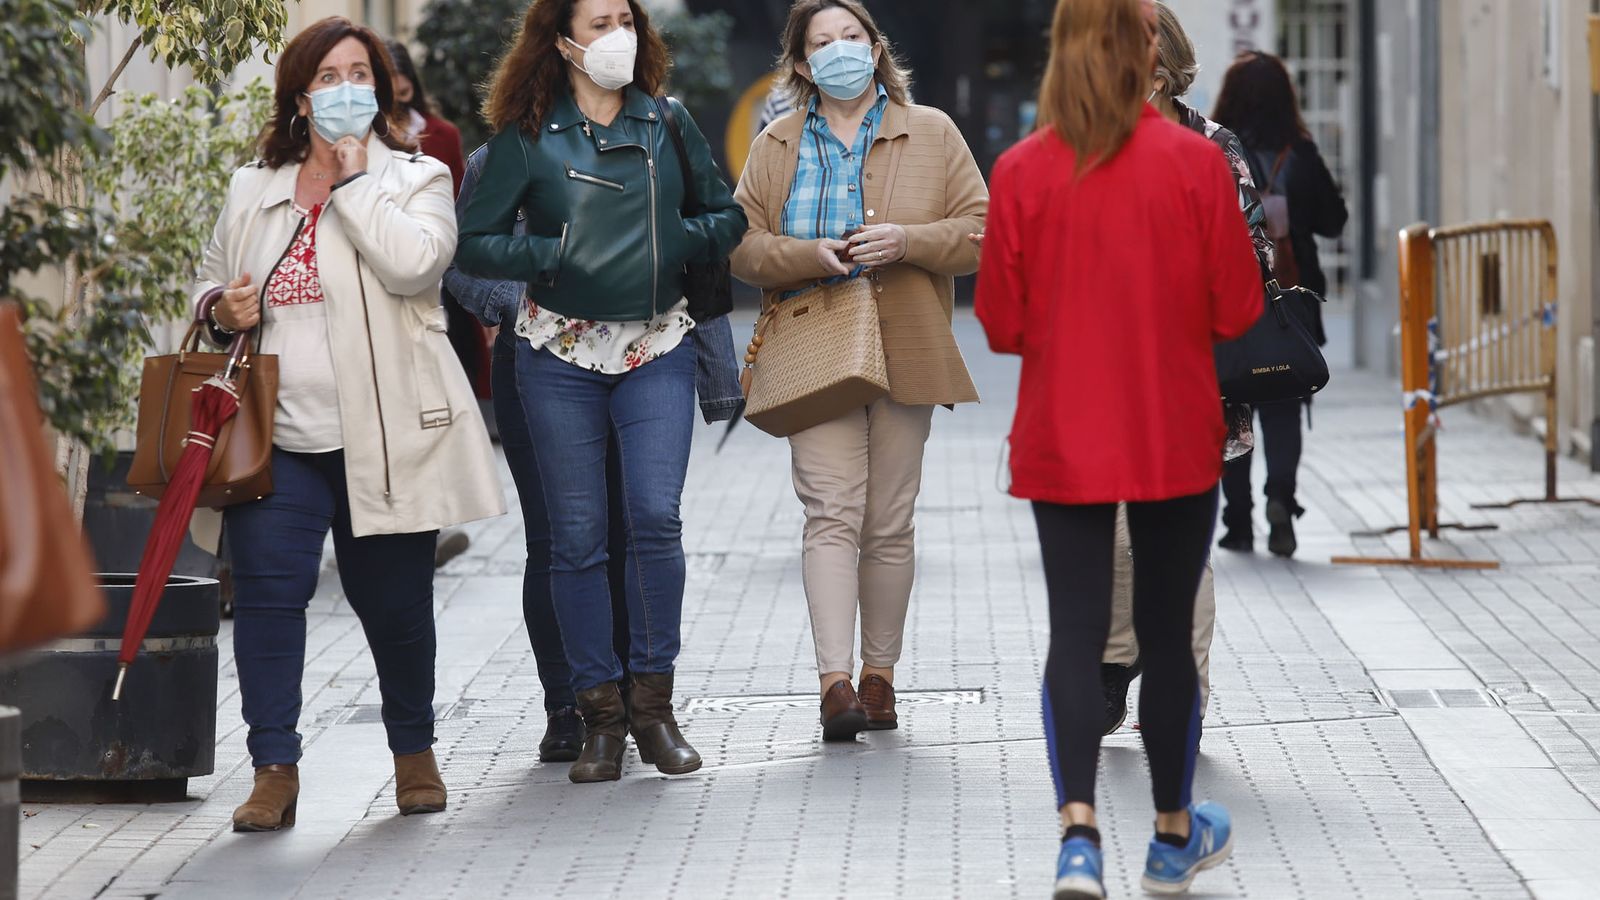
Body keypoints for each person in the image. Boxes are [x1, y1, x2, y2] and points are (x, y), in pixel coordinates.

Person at [975, 0, 1260, 895]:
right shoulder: (1196, 163)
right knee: (1168, 635)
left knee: (1076, 632)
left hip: (1064, 431)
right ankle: (1173, 834)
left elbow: (1001, 324)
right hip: (1173, 428)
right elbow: (1237, 308)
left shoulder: (1022, 170)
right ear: (1150, 56)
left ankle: (1078, 837)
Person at [196, 16, 504, 832]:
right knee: (268, 600)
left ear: (382, 87)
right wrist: (222, 309)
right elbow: (209, 283)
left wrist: (356, 182)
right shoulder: (252, 188)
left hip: (386, 432)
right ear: (300, 99)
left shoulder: (417, 177)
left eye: (359, 74)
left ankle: (413, 752)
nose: (346, 90)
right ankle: (273, 769)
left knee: (395, 604)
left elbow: (415, 265)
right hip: (277, 436)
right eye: (327, 78)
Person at [454, 0, 747, 783]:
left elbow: (726, 219)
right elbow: (474, 244)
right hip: (557, 355)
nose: (617, 35)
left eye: (626, 19)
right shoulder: (525, 137)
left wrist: (671, 238)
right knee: (577, 537)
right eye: (598, 23)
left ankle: (654, 710)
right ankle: (600, 722)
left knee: (654, 517)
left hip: (657, 347)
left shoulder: (669, 123)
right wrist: (551, 254)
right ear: (562, 43)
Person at [729, 0, 986, 743]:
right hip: (813, 344)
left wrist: (908, 241)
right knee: (830, 511)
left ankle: (880, 677)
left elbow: (983, 229)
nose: (840, 50)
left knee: (889, 520)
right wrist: (805, 256)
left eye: (852, 37)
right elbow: (739, 245)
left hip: (907, 340)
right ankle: (834, 682)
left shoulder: (932, 131)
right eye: (823, 43)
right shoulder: (777, 142)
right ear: (802, 65)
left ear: (876, 50)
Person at [1098, 0, 1277, 735]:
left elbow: (1256, 257)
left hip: (1193, 376)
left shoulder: (1213, 146)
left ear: (1163, 66)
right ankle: (1116, 659)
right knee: (1114, 534)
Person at [1212, 50, 1349, 558]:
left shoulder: (1217, 151)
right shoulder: (1301, 154)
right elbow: (1335, 220)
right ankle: (1280, 502)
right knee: (1285, 403)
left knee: (1233, 401)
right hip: (1290, 302)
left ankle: (1238, 520)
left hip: (1230, 300)